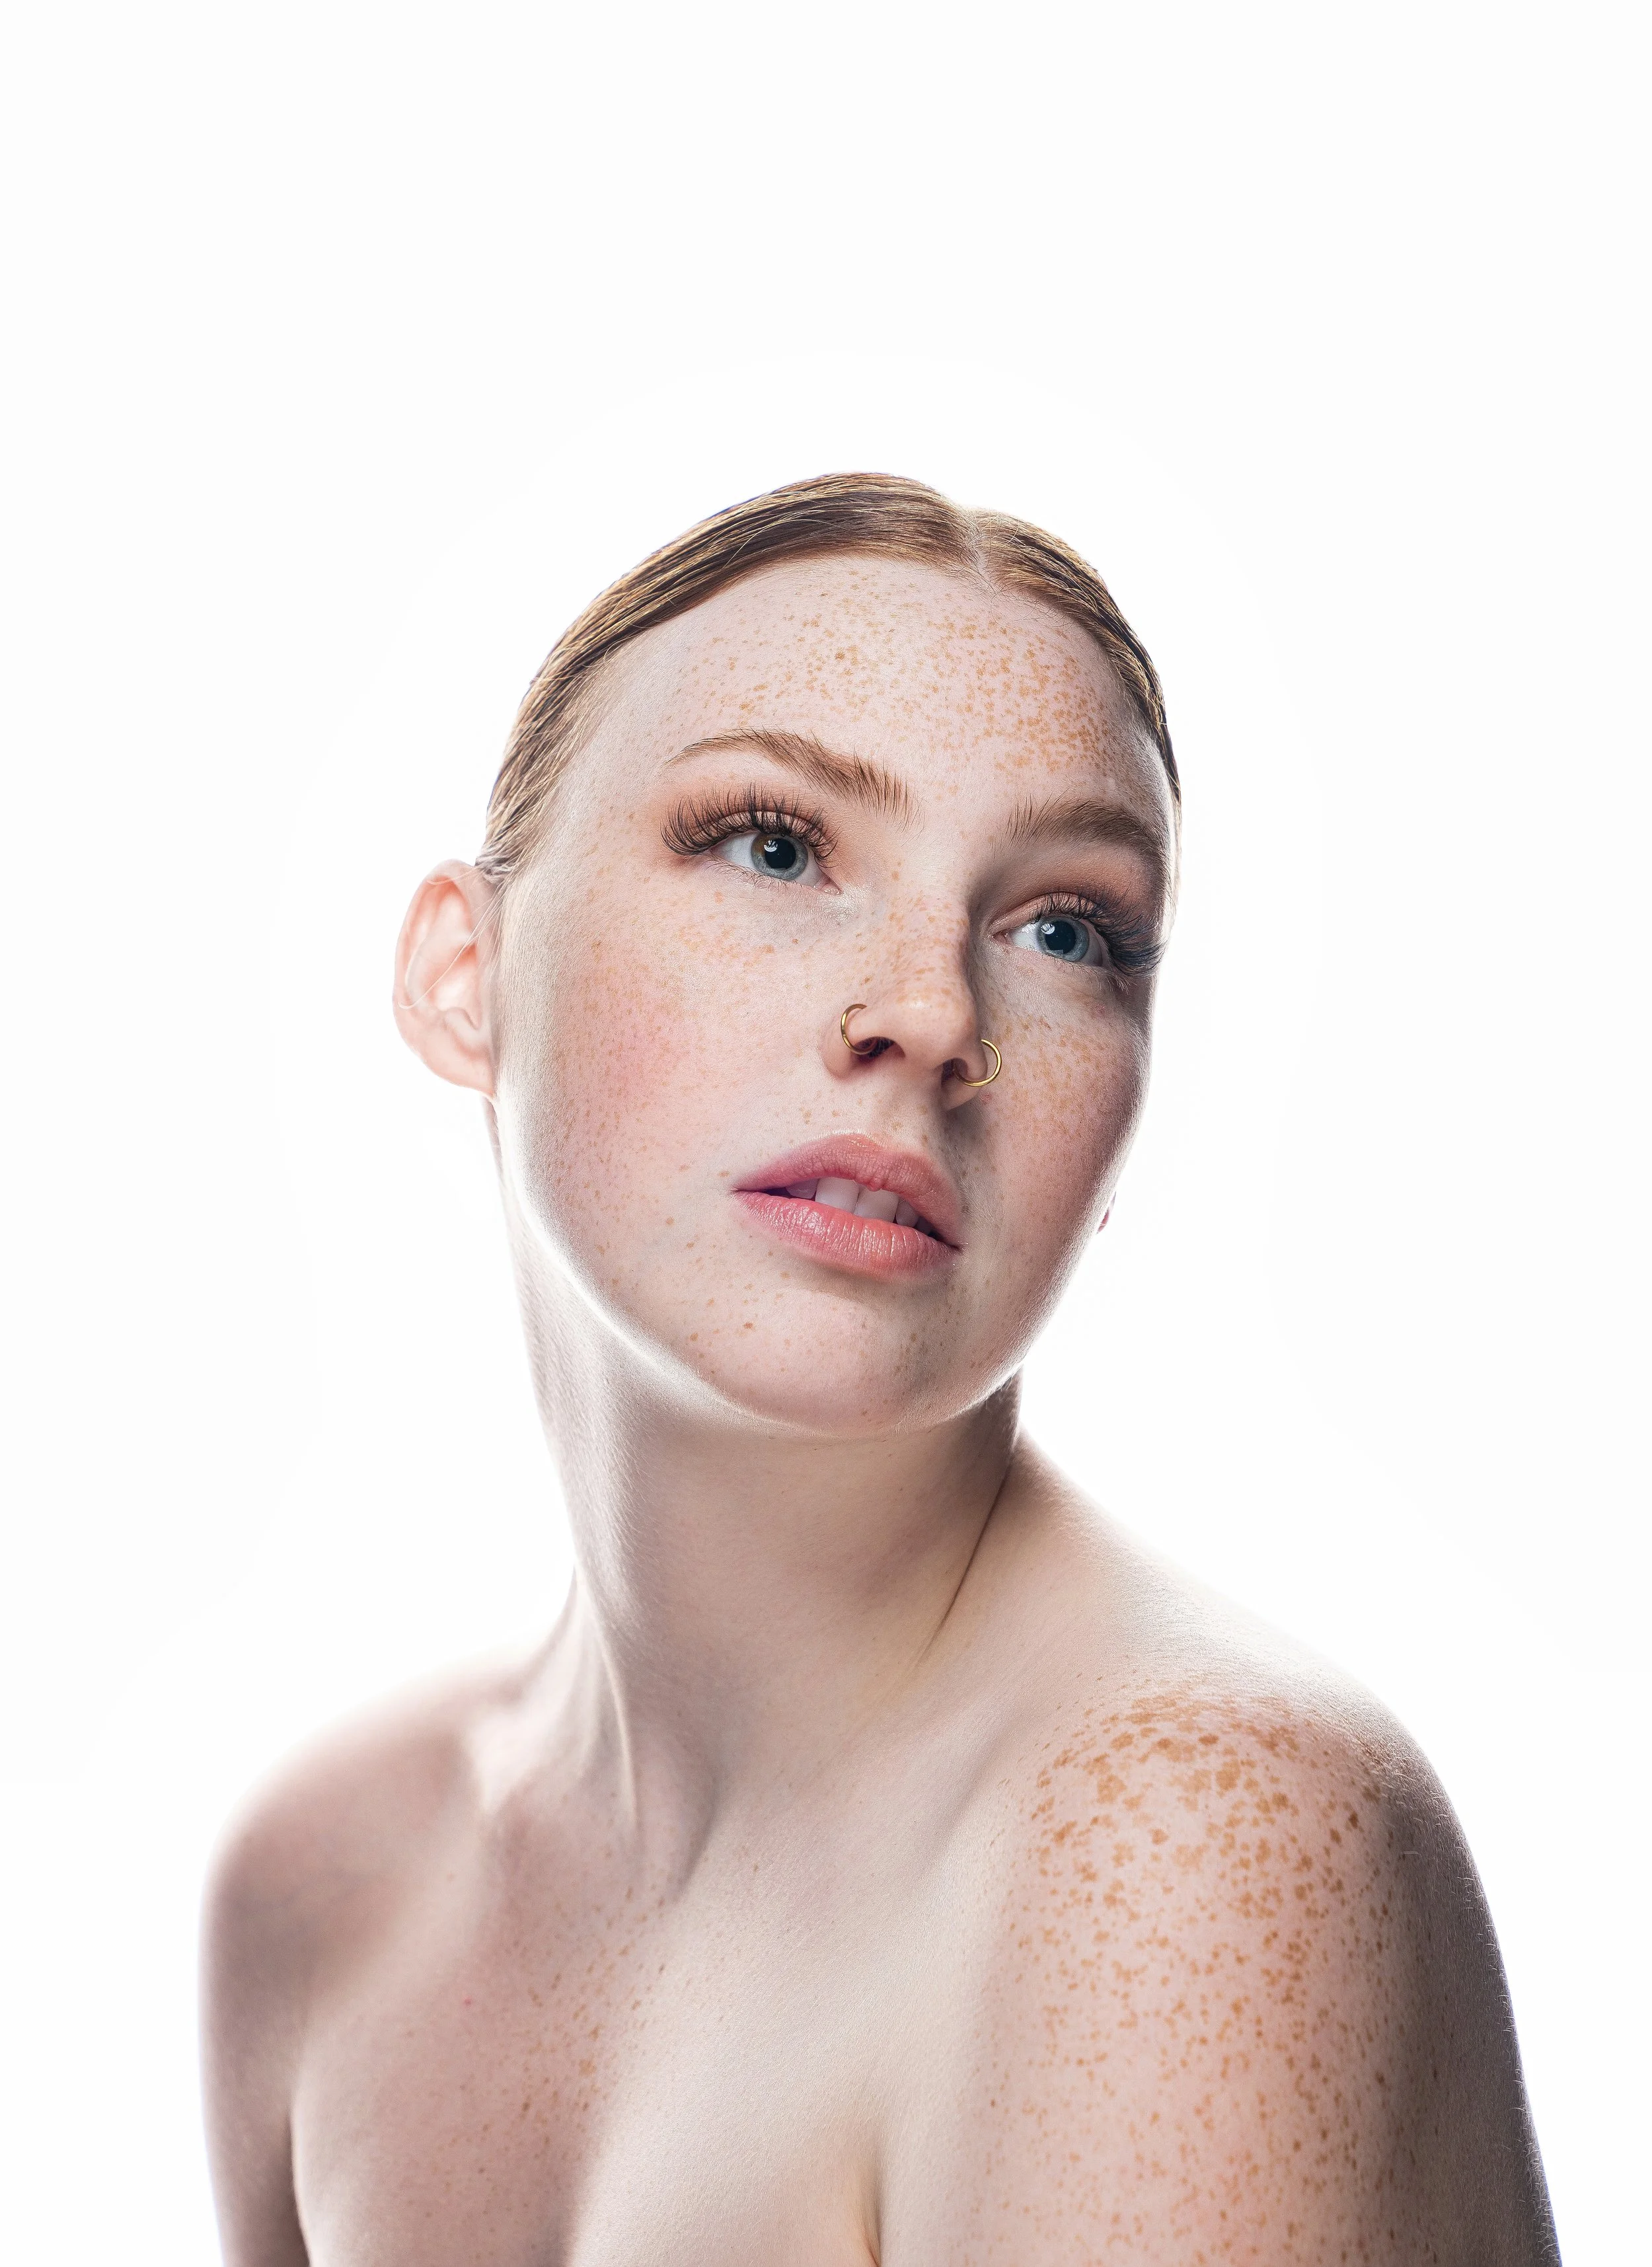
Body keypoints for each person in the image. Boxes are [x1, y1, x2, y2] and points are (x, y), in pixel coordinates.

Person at [202, 473, 1558, 2264]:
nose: (928, 1009)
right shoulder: (330, 1877)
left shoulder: (1176, 1838)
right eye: (774, 843)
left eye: (1065, 926)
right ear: (469, 971)